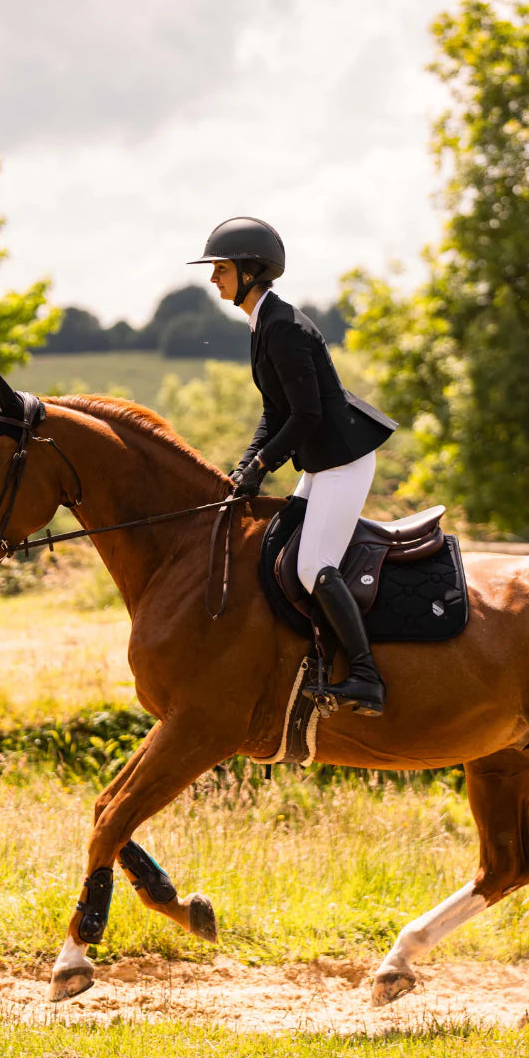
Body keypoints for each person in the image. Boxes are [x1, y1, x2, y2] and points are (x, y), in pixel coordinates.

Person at [189, 217, 397, 716]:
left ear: (251, 271)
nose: (213, 278)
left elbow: (308, 414)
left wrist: (263, 464)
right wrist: (246, 467)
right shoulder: (264, 323)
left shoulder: (281, 327)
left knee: (312, 565)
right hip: (323, 461)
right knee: (281, 544)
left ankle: (367, 675)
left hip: (342, 461)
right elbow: (276, 412)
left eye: (221, 268)